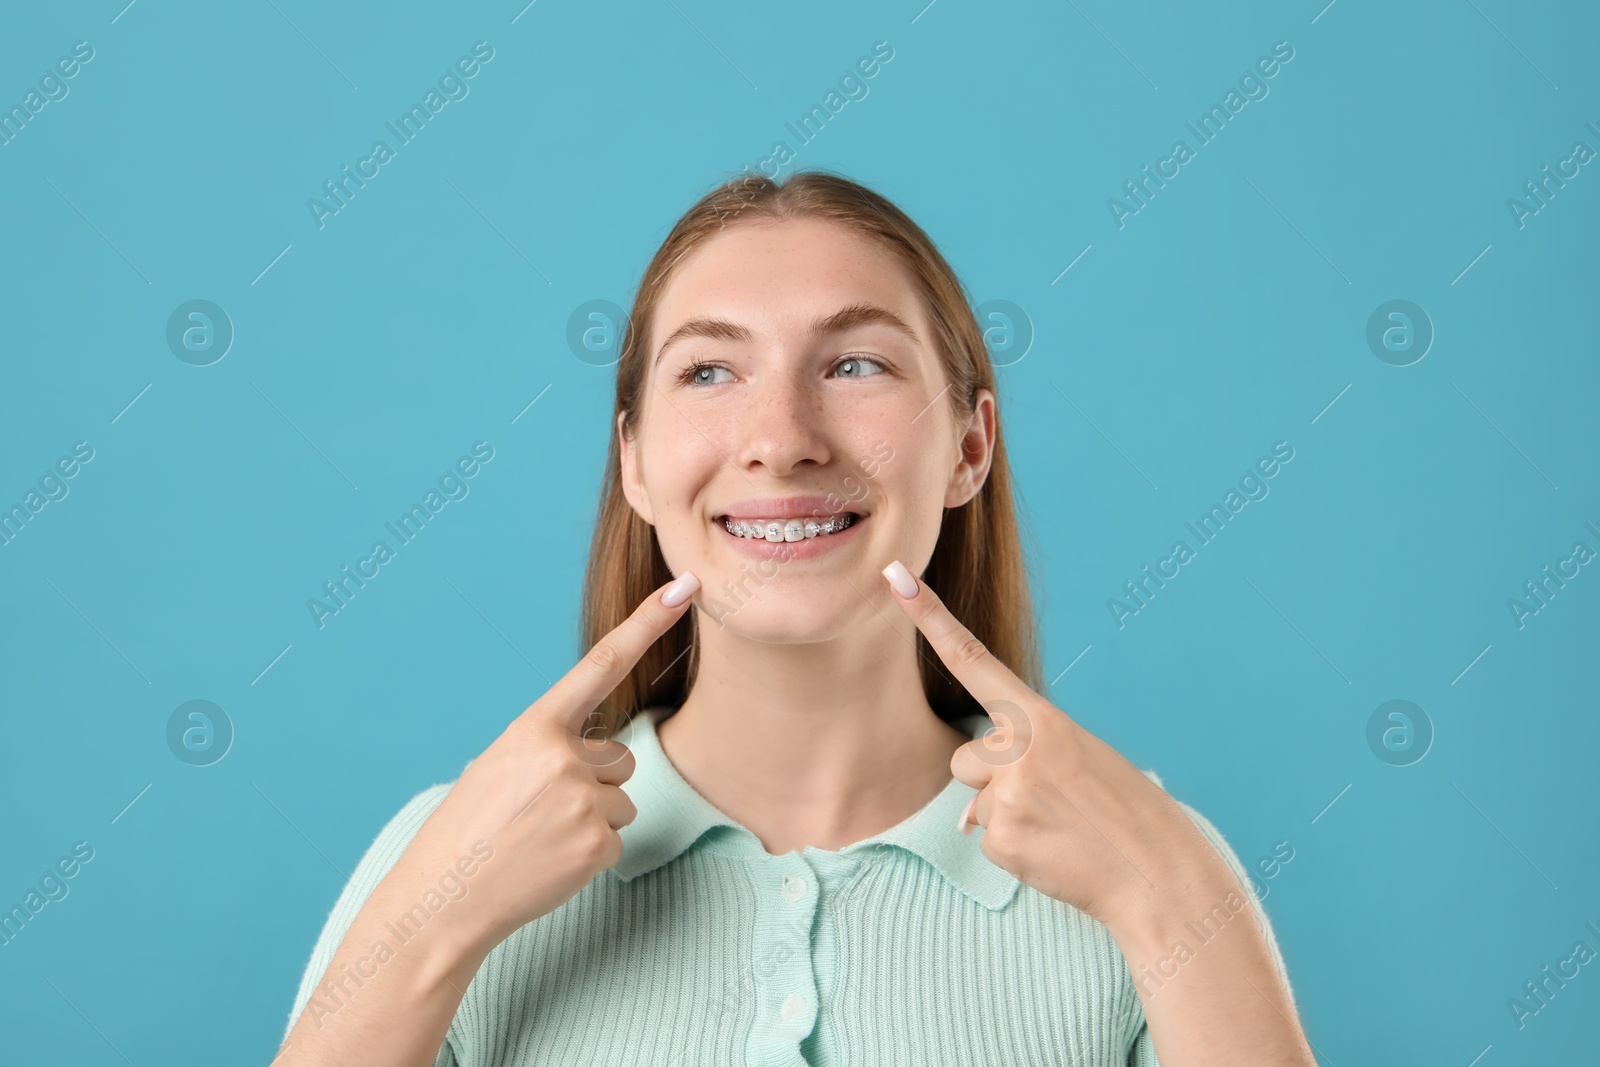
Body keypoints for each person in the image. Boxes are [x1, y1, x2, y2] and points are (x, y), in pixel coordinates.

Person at [273, 170, 1315, 1066]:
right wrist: (430, 925)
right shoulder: (444, 846)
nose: (781, 438)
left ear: (967, 446)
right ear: (633, 459)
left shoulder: (1147, 860)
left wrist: (1181, 906)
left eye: (854, 363)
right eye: (710, 370)